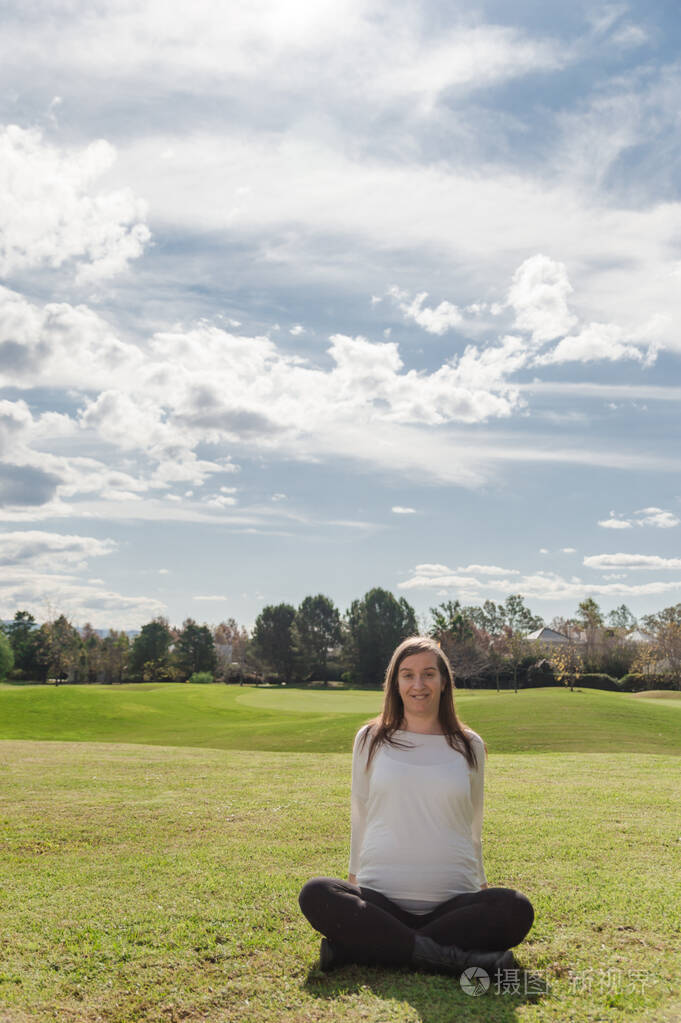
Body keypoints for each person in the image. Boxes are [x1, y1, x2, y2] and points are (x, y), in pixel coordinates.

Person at [298, 635, 535, 977]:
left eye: (428, 674)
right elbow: (360, 809)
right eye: (407, 674)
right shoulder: (370, 739)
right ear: (395, 683)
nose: (418, 684)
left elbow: (474, 822)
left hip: (453, 903)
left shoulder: (470, 746)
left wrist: (481, 882)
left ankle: (360, 947)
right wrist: (352, 873)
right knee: (316, 893)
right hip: (382, 901)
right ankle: (453, 959)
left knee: (516, 908)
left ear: (443, 682)